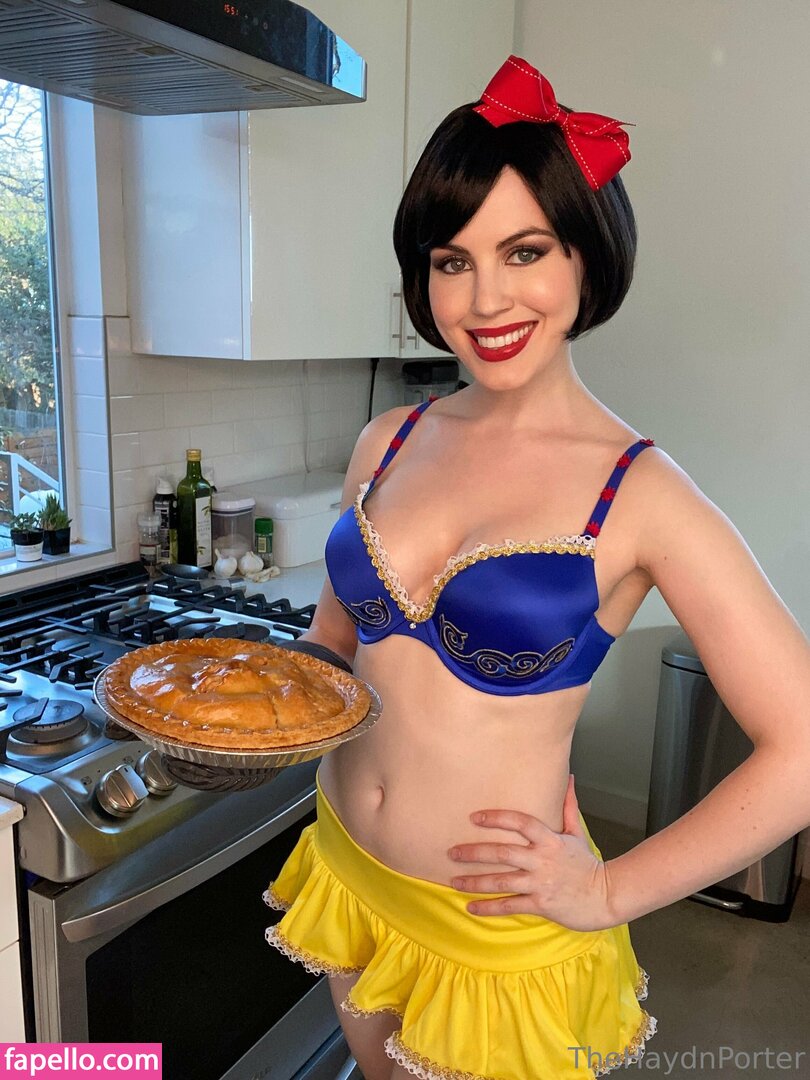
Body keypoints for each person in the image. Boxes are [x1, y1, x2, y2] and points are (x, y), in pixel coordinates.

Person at [263, 56, 810, 1080]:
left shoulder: (640, 494)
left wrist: (606, 892)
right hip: (346, 860)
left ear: (584, 258)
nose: (485, 299)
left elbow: (804, 746)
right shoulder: (387, 439)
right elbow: (335, 644)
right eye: (452, 260)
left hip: (496, 927)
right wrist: (243, 712)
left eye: (524, 251)